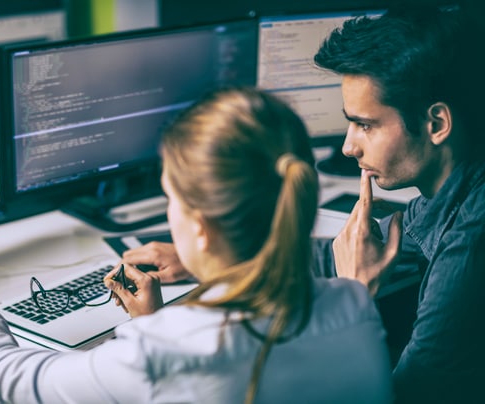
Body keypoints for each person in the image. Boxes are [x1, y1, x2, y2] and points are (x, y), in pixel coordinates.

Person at [0, 87, 392, 403]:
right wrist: (152, 324)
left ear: (203, 228)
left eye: (171, 197)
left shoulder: (166, 350)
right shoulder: (355, 300)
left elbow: (3, 375)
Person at [126, 5, 485, 403]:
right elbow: (347, 252)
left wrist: (354, 295)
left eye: (365, 124)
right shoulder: (450, 193)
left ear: (436, 124)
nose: (349, 146)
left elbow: (402, 396)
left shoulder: (470, 245)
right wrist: (210, 255)